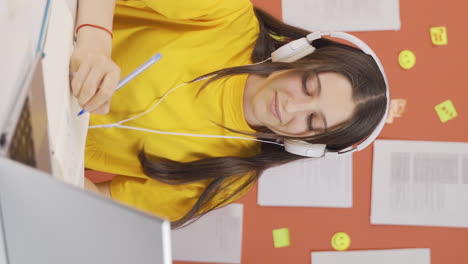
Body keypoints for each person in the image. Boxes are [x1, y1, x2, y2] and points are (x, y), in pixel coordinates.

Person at [72, 0, 388, 228]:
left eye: (312, 122)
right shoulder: (227, 14)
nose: (292, 107)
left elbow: (103, 203)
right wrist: (95, 42)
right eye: (308, 85)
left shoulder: (227, 179)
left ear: (309, 145)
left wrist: (67, 178)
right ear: (300, 53)